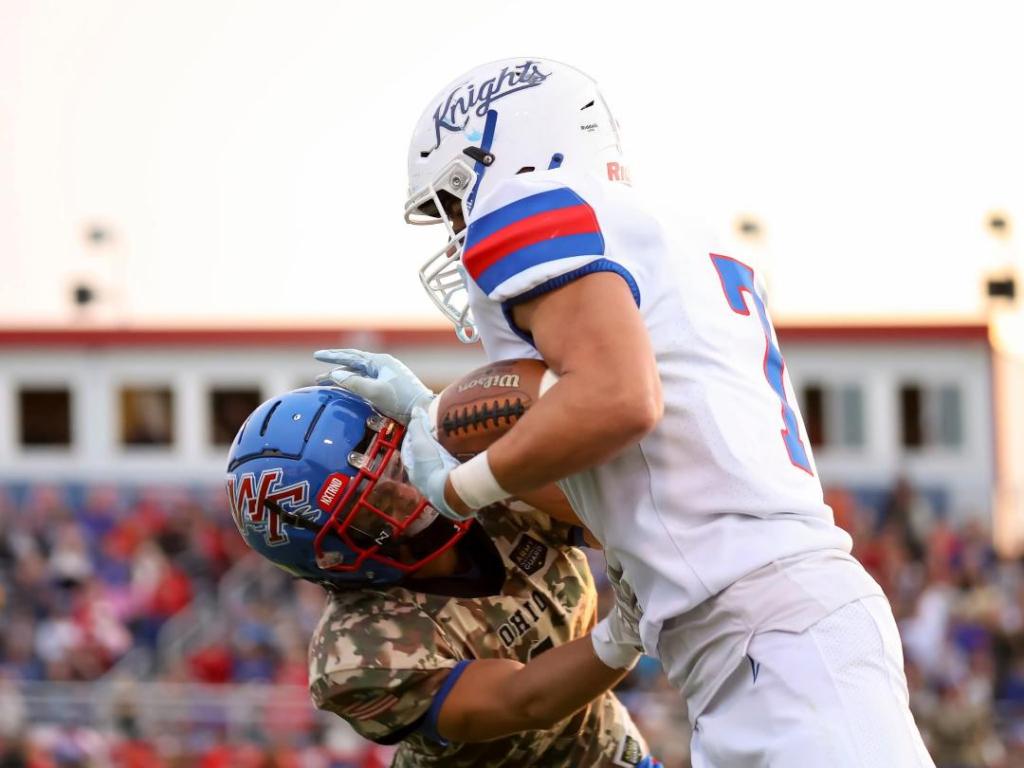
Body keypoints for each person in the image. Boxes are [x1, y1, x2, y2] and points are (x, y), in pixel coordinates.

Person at [316, 57, 935, 766]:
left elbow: (620, 400)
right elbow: (625, 470)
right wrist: (436, 418)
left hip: (769, 629)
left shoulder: (531, 214)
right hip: (758, 628)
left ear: (495, 157)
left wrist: (460, 486)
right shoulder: (666, 230)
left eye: (454, 201)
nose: (456, 231)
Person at [225, 386, 660, 767]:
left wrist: (445, 424)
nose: (405, 488)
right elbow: (525, 702)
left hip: (606, 751)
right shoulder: (357, 653)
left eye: (394, 459)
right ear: (336, 556)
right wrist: (623, 634)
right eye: (372, 496)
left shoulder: (480, 490)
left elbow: (607, 514)